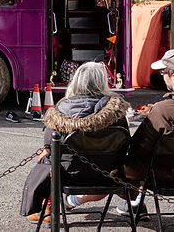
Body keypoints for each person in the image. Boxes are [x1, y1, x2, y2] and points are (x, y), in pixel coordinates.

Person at [20, 62, 131, 224]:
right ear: (103, 82)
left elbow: (49, 144)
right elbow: (125, 143)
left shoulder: (61, 109)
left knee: (46, 155)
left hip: (69, 175)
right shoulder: (117, 111)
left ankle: (47, 206)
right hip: (108, 175)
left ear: (76, 81)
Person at [121, 49, 174, 217]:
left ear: (172, 75)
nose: (162, 76)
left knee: (127, 165)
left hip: (164, 174)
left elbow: (140, 146)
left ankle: (135, 201)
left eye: (163, 72)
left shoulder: (163, 110)